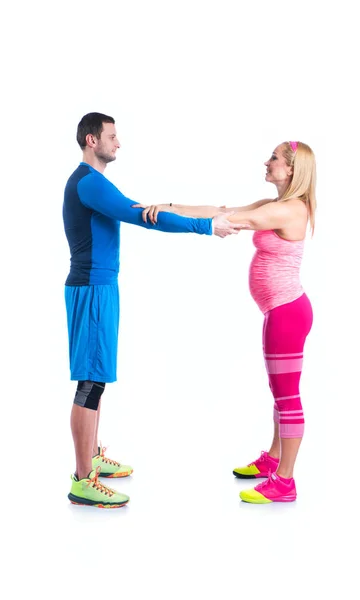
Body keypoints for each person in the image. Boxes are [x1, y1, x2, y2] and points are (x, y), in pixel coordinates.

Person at [63, 112, 244, 509]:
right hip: (92, 288)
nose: (119, 142)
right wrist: (205, 227)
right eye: (112, 136)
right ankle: (82, 479)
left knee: (97, 377)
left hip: (100, 286)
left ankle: (91, 456)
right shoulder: (89, 182)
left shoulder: (95, 183)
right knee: (90, 381)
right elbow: (143, 217)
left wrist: (206, 212)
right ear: (92, 140)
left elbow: (145, 208)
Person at [133, 141, 316, 503]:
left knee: (287, 396)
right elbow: (221, 209)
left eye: (274, 158)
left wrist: (173, 221)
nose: (267, 162)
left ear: (292, 168)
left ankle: (285, 482)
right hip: (279, 311)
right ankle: (274, 459)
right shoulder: (275, 205)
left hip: (287, 312)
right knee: (279, 392)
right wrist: (166, 206)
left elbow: (232, 221)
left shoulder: (291, 209)